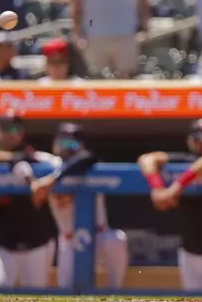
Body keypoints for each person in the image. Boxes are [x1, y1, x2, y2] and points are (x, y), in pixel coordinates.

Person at [137, 119, 202, 291]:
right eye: (196, 137)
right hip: (189, 252)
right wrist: (157, 188)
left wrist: (175, 188)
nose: (200, 142)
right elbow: (147, 158)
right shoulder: (183, 160)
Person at [29, 123, 128, 289]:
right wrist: (31, 182)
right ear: (54, 143)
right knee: (67, 290)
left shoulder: (87, 164)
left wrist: (53, 179)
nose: (68, 148)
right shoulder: (47, 162)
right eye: (63, 142)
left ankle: (115, 290)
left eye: (73, 144)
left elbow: (87, 157)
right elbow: (21, 159)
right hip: (69, 239)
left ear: (81, 145)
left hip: (100, 235)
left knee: (117, 239)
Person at [0, 112, 57, 289]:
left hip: (36, 242)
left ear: (22, 133)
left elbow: (51, 163)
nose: (10, 132)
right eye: (5, 128)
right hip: (3, 244)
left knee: (36, 297)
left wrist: (18, 160)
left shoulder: (35, 157)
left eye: (15, 129)